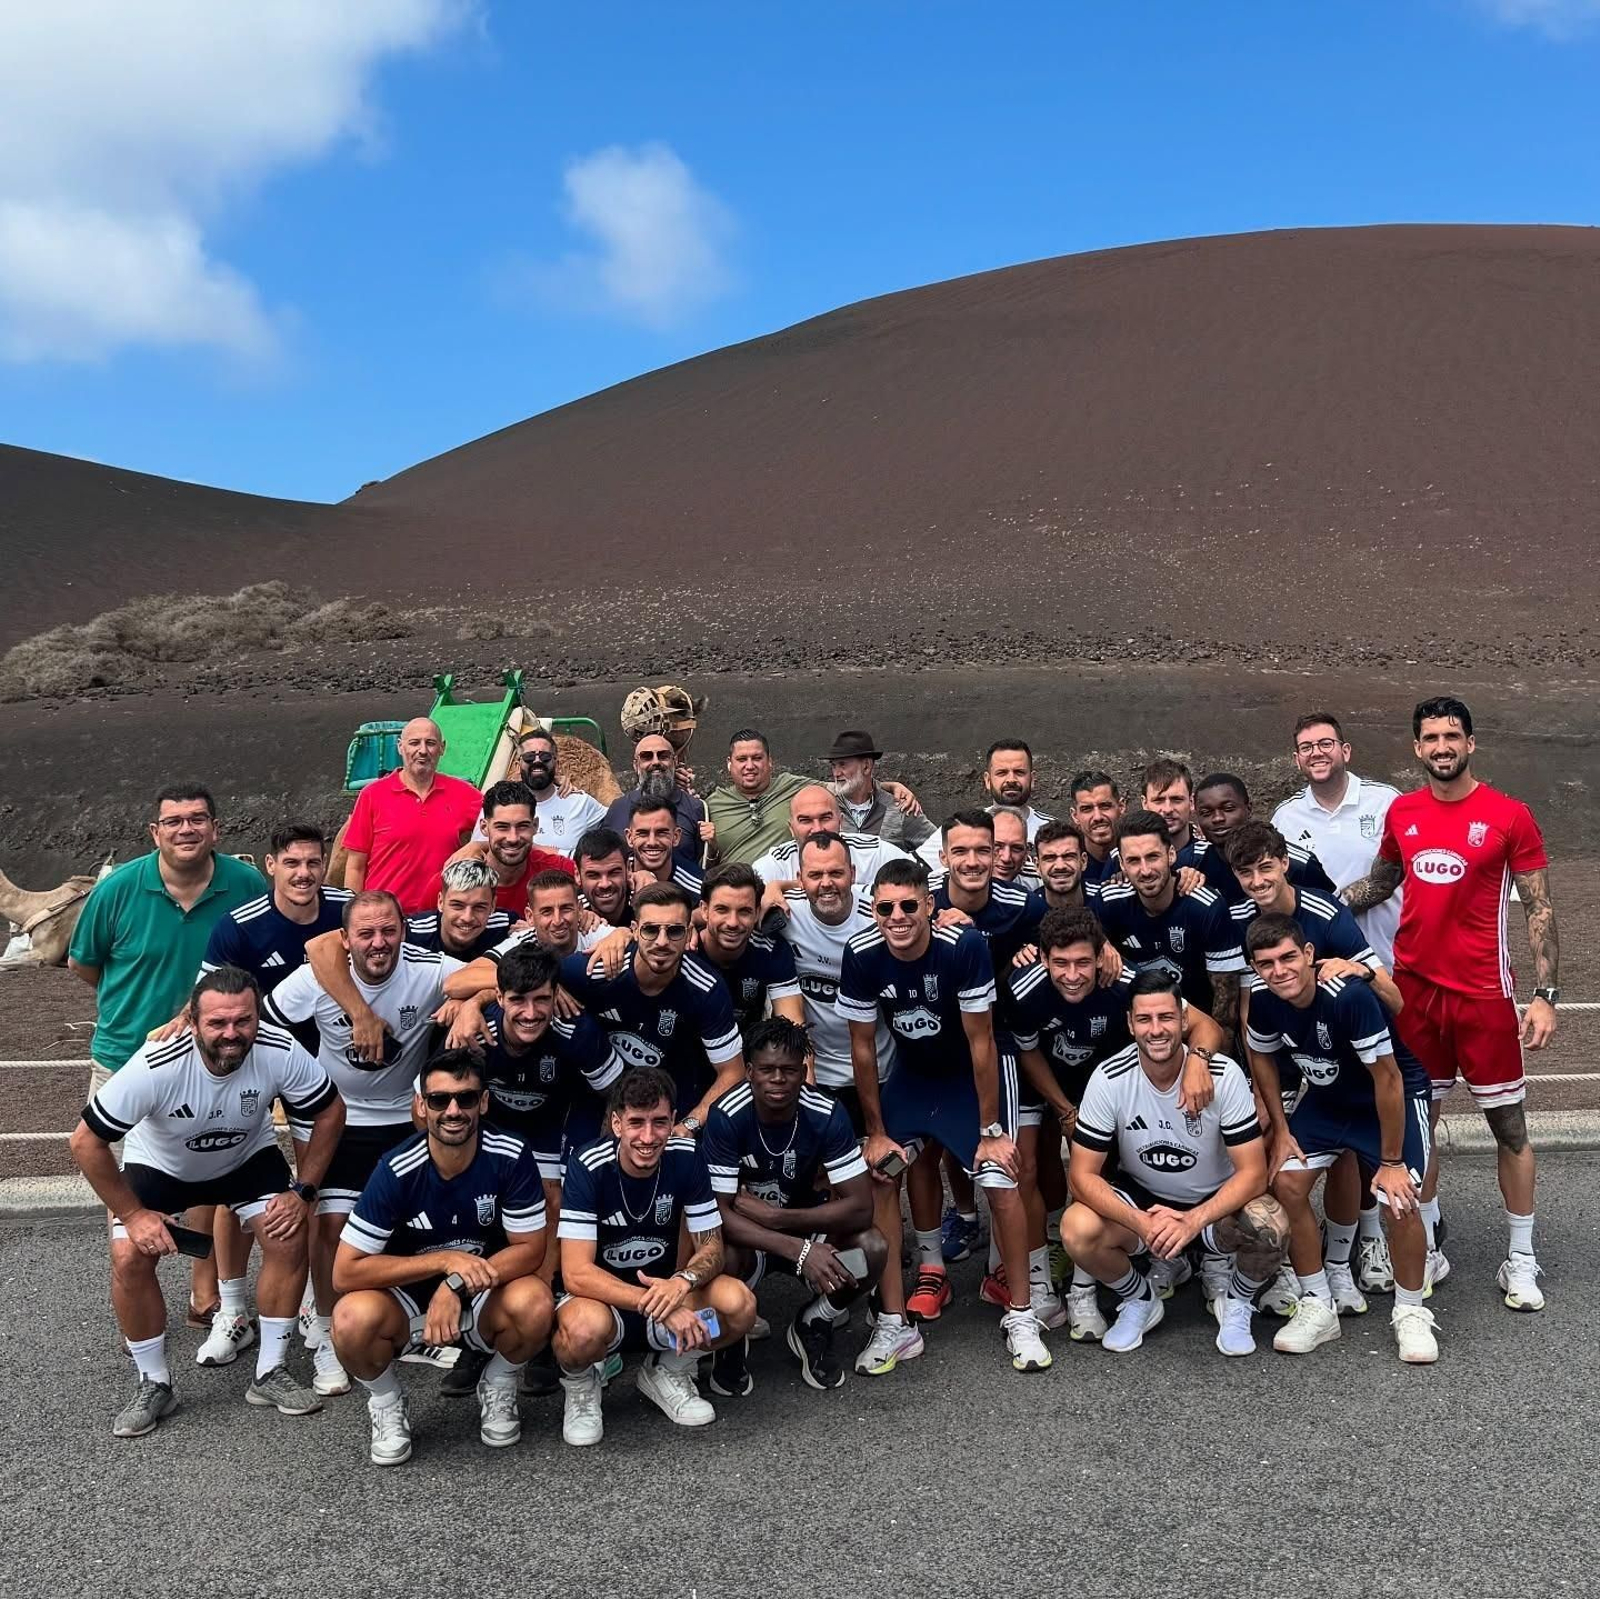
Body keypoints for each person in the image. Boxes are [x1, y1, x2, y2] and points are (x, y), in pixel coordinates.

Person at [1341, 695, 1559, 1311]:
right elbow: (1382, 882)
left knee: (1509, 1128)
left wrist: (1545, 996)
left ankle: (1520, 1259)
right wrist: (1320, 903)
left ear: (1470, 743)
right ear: (1417, 747)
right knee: (1420, 1126)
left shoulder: (1509, 815)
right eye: (1431, 737)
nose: (1442, 746)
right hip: (1414, 995)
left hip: (1485, 996)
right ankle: (1430, 1240)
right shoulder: (1403, 812)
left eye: (1452, 736)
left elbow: (1539, 907)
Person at [69, 968, 345, 1436]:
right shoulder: (157, 1063)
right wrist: (134, 1216)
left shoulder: (278, 1048)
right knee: (128, 1255)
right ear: (193, 1021)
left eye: (243, 1021)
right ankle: (154, 1383)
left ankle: (270, 1371)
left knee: (289, 1230)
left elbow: (330, 1110)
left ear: (258, 1017)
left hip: (244, 1159)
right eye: (217, 1023)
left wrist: (305, 1189)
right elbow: (84, 1142)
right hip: (163, 1166)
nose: (232, 1034)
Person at [837, 859, 1051, 1376]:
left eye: (909, 905)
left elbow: (981, 1043)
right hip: (914, 1076)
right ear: (875, 911)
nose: (898, 916)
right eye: (885, 907)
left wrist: (992, 1131)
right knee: (881, 1173)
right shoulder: (861, 953)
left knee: (1001, 1176)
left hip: (969, 1076)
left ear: (929, 906)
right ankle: (894, 1322)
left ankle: (1022, 1315)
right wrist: (877, 1132)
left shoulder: (964, 946)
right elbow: (862, 1050)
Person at [68, 783, 265, 1324]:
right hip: (123, 1057)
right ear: (155, 832)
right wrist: (135, 1006)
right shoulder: (118, 890)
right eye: (173, 820)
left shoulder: (246, 884)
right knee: (126, 1194)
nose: (186, 829)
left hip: (212, 1058)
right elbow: (84, 963)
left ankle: (206, 1292)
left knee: (208, 1163)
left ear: (215, 828)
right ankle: (139, 1297)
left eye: (198, 818)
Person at [265, 891, 466, 1397]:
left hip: (403, 1114)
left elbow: (496, 973)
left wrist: (471, 1002)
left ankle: (412, 1316)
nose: (379, 943)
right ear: (345, 939)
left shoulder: (426, 969)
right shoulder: (316, 977)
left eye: (388, 931)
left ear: (404, 929)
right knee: (332, 1224)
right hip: (333, 1117)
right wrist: (301, 1085)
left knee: (417, 1218)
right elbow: (266, 1026)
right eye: (366, 934)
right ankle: (330, 1329)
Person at [331, 1050, 555, 1464]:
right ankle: (386, 1401)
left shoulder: (511, 1154)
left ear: (483, 1103)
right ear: (421, 1105)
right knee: (349, 1319)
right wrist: (445, 1262)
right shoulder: (396, 1167)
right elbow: (345, 1272)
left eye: (466, 1099)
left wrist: (454, 1283)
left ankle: (499, 1381)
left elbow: (531, 1250)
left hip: (483, 1291)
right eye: (439, 1100)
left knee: (536, 1302)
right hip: (407, 1299)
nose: (453, 1110)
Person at [1010, 908, 1224, 1335]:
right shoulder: (1023, 990)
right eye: (1061, 964)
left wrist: (1199, 1059)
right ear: (1044, 960)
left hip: (1106, 1085)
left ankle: (1085, 1290)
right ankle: (1039, 1285)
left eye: (1083, 963)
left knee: (1094, 1177)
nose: (1072, 974)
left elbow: (1207, 1026)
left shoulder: (1125, 982)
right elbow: (1027, 1051)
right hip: (1048, 1085)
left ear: (1100, 957)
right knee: (1024, 1167)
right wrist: (1064, 1109)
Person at [1243, 916, 1438, 1363]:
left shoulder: (1348, 997)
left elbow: (1388, 1080)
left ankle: (1410, 1311)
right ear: (1255, 968)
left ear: (1309, 955)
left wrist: (1390, 1162)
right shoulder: (1261, 999)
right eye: (1267, 963)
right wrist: (1282, 1128)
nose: (1280, 971)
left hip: (1390, 1100)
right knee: (1287, 1182)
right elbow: (1262, 1056)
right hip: (1330, 1102)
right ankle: (1317, 1302)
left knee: (1399, 1198)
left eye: (1289, 957)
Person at [1224, 817, 1401, 1308]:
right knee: (1276, 1151)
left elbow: (1395, 1000)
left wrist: (1361, 970)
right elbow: (1246, 1005)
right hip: (1280, 1043)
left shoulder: (1325, 914)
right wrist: (1263, 1091)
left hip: (1342, 1046)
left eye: (1266, 869)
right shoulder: (1240, 919)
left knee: (1343, 1152)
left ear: (1284, 864)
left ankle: (1344, 1261)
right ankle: (1282, 1265)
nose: (1258, 882)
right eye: (1246, 873)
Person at [1062, 973, 1288, 1358]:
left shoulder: (1224, 1076)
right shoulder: (1108, 1078)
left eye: (1166, 1018)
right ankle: (1140, 1298)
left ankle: (1237, 1302)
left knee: (1271, 1223)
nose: (1156, 1030)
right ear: (1130, 1024)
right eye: (1145, 1020)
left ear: (1184, 1021)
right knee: (1076, 1227)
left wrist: (1193, 1220)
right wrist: (1144, 1223)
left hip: (1213, 1207)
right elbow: (1081, 1176)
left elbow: (1252, 1172)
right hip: (1145, 1204)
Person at [189, 823, 348, 1365]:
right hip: (251, 1064)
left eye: (314, 862)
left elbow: (407, 937)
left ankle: (306, 1301)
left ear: (326, 864)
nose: (305, 873)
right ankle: (233, 1311)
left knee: (313, 1184)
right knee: (236, 1183)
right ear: (271, 865)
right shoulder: (239, 924)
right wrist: (175, 1025)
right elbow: (205, 998)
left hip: (321, 1068)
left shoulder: (347, 909)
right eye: (293, 863)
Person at [554, 1067, 758, 1445]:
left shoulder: (686, 1156)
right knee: (580, 1332)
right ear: (616, 1123)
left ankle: (670, 1369)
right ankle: (582, 1387)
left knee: (738, 1305)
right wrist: (661, 1305)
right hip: (606, 1305)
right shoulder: (588, 1164)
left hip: (670, 1294)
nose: (648, 1137)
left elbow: (711, 1246)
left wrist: (683, 1281)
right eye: (636, 1123)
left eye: (659, 1122)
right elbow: (576, 1274)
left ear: (674, 1121)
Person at [702, 1017, 888, 1393]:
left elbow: (861, 1207)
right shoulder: (725, 1115)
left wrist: (780, 1219)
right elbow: (716, 1216)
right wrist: (798, 1249)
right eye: (767, 1070)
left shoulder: (827, 1113)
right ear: (749, 1072)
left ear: (804, 1073)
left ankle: (814, 1321)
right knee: (723, 1255)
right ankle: (731, 1337)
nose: (777, 1079)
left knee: (871, 1249)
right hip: (748, 1238)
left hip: (806, 1228)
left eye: (788, 1070)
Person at [558, 882, 746, 1130]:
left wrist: (688, 1126)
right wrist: (550, 987)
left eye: (675, 931)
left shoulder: (706, 987)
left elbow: (733, 1072)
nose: (662, 942)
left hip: (672, 1108)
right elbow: (510, 976)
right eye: (651, 930)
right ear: (634, 931)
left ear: (689, 933)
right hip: (597, 1097)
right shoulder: (597, 968)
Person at [768, 832, 896, 1126]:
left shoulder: (882, 913)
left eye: (836, 873)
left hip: (881, 1069)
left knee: (885, 1164)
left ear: (853, 873)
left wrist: (950, 915)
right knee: (820, 1170)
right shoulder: (785, 914)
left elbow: (924, 914)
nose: (826, 883)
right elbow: (720, 911)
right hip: (818, 1074)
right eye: (815, 874)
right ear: (800, 878)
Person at [1271, 712, 1403, 969]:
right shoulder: (1284, 818)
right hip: (1325, 964)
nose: (1316, 752)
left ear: (1345, 751)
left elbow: (1400, 873)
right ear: (1297, 760)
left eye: (1325, 744)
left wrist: (1331, 907)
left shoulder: (1387, 802)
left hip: (1390, 959)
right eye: (1306, 747)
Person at [1096, 810, 1246, 1033]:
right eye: (1134, 861)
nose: (1145, 870)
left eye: (1153, 857)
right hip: (1140, 1030)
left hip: (1198, 1028)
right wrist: (1100, 942)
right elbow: (1078, 929)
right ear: (1122, 865)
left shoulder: (1206, 907)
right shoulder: (1110, 900)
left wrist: (1210, 1055)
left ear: (1171, 855)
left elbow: (1226, 1003)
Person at [341, 718, 481, 913]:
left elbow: (500, 825)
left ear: (442, 748)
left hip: (440, 918)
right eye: (414, 743)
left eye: (430, 743)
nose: (422, 750)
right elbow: (355, 866)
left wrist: (477, 845)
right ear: (400, 747)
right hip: (385, 918)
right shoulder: (372, 795)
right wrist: (355, 915)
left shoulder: (465, 794)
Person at [1192, 772, 1336, 908]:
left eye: (1228, 808)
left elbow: (1333, 913)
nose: (1218, 818)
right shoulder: (1193, 862)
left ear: (1248, 809)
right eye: (1206, 813)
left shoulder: (1298, 864)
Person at [694, 862, 805, 1034]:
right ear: (704, 910)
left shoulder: (770, 949)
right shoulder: (686, 950)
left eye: (744, 911)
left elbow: (794, 1027)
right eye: (722, 910)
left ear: (756, 913)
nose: (733, 922)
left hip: (749, 1054)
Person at [752, 784, 909, 898]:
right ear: (791, 828)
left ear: (841, 822)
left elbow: (920, 883)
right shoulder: (775, 865)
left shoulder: (875, 852)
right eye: (805, 820)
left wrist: (786, 887)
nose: (818, 829)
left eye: (825, 818)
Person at [443, 780, 575, 914]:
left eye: (522, 826)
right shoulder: (451, 883)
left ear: (535, 826)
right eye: (502, 827)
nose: (513, 838)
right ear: (484, 827)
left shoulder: (560, 872)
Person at [916, 739, 1053, 866]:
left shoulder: (1051, 829)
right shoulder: (962, 826)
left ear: (1032, 779)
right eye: (1002, 773)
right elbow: (913, 866)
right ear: (987, 780)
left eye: (1019, 772)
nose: (1011, 779)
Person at [603, 732, 713, 867]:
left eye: (663, 756)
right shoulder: (618, 808)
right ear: (635, 765)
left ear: (675, 761)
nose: (656, 762)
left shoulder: (696, 808)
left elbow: (704, 866)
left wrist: (713, 849)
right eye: (646, 757)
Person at [706, 729, 813, 865]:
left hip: (786, 883)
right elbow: (704, 866)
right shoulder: (712, 805)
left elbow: (840, 791)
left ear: (769, 761)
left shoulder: (793, 787)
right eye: (742, 759)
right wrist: (712, 849)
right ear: (729, 763)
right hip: (734, 883)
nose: (750, 766)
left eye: (757, 758)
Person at [825, 729, 936, 852]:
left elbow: (939, 847)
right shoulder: (825, 807)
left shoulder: (900, 808)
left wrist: (909, 867)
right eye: (833, 765)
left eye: (842, 764)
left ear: (866, 766)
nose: (836, 773)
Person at [509, 726, 608, 848]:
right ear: (518, 765)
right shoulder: (502, 806)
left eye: (545, 756)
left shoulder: (580, 802)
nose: (537, 761)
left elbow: (619, 819)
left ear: (557, 764)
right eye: (529, 757)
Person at [403, 857, 513, 960]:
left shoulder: (508, 926)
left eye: (479, 907)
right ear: (441, 902)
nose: (467, 917)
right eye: (457, 905)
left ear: (492, 906)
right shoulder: (410, 934)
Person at [625, 795, 705, 898]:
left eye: (661, 833)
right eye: (643, 833)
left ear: (676, 837)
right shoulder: (612, 877)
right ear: (629, 837)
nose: (652, 842)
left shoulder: (699, 891)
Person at [1140, 757, 1205, 864]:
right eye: (1158, 800)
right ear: (1145, 804)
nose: (1168, 809)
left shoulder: (1210, 856)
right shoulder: (1124, 857)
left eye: (1177, 799)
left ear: (1192, 802)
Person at [1069, 769, 1125, 886]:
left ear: (1121, 807)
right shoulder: (1067, 863)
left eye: (1105, 806)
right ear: (1075, 816)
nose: (1097, 817)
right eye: (1087, 809)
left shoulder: (1140, 856)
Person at [1030, 819, 1097, 913]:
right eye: (1050, 858)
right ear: (1037, 865)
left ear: (1083, 861)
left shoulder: (1104, 900)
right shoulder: (1029, 910)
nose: (1060, 866)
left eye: (1068, 856)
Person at [572, 827, 634, 928]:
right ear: (577, 875)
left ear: (628, 868)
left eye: (614, 873)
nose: (604, 884)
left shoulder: (644, 903)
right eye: (593, 875)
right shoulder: (568, 912)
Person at [991, 805, 1042, 891]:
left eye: (1016, 848)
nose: (1006, 858)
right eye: (997, 846)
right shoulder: (963, 879)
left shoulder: (1038, 880)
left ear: (1026, 854)